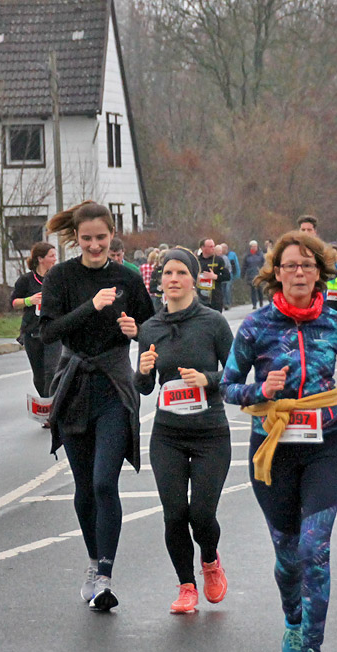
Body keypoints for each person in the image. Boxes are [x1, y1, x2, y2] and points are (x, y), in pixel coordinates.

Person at [221, 230, 337, 652]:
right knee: (288, 557)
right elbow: (227, 387)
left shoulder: (335, 324)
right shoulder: (255, 327)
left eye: (308, 265)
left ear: (320, 272)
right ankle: (292, 617)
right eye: (291, 266)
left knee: (315, 551)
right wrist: (259, 391)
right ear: (276, 274)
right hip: (273, 450)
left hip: (327, 446)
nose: (300, 273)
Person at [39, 200, 154, 611]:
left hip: (113, 386)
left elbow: (152, 328)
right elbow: (49, 331)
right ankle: (93, 561)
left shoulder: (127, 278)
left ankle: (105, 576)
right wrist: (91, 306)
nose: (94, 246)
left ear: (111, 236)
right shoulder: (60, 276)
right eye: (86, 239)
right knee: (84, 487)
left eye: (101, 238)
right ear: (76, 238)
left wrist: (136, 330)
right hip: (74, 386)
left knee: (106, 482)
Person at [135, 248, 234, 614]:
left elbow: (237, 374)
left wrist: (206, 378)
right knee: (174, 512)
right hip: (168, 435)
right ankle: (186, 585)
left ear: (194, 279)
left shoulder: (213, 323)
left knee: (202, 514)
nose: (172, 279)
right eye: (166, 273)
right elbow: (143, 388)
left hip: (210, 433)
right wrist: (143, 371)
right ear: (159, 281)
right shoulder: (151, 328)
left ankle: (210, 560)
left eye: (180, 273)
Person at [11, 242, 62, 396]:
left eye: (55, 256)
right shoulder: (26, 280)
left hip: (53, 332)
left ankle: (50, 407)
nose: (55, 259)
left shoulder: (58, 278)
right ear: (40, 259)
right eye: (51, 256)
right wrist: (29, 300)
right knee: (39, 376)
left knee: (51, 372)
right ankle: (45, 402)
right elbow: (14, 303)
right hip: (32, 332)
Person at [196, 238, 229, 313]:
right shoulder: (196, 261)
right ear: (202, 248)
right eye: (210, 246)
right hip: (201, 298)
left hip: (215, 297)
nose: (213, 248)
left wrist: (215, 277)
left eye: (213, 246)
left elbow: (227, 276)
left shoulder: (218, 260)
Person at [243, 241, 265, 308]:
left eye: (255, 246)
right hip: (250, 275)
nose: (254, 248)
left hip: (259, 274)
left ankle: (261, 302)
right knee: (253, 290)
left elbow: (264, 264)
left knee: (259, 289)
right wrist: (243, 274)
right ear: (250, 247)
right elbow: (244, 265)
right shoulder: (247, 255)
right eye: (253, 246)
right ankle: (254, 304)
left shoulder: (261, 254)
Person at [220, 242, 239, 310]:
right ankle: (223, 303)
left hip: (229, 275)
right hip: (221, 276)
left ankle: (228, 303)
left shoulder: (232, 255)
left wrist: (236, 275)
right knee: (222, 290)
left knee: (228, 290)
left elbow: (235, 265)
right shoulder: (218, 256)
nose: (222, 250)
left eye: (224, 248)